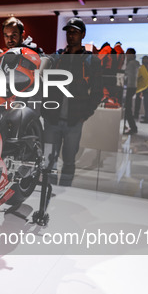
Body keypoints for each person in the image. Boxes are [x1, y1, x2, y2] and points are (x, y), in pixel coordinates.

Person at [41, 17, 102, 186]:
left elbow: (98, 91)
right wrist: (44, 110)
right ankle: (48, 192)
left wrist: (85, 114)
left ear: (82, 34)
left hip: (74, 120)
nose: (71, 35)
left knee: (69, 160)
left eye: (75, 32)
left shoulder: (91, 60)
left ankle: (65, 191)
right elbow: (43, 84)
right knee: (48, 161)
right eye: (68, 32)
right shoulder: (56, 58)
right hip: (52, 119)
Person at [123, 48, 139, 135]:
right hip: (133, 87)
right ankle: (128, 126)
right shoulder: (136, 63)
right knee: (127, 107)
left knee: (127, 108)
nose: (126, 55)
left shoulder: (131, 63)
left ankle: (133, 127)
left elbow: (127, 75)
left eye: (127, 53)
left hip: (130, 87)